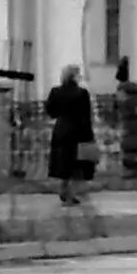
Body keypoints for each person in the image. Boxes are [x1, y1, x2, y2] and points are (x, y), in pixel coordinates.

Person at [43, 64, 98, 205]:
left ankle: (64, 189)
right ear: (74, 76)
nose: (81, 77)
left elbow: (51, 112)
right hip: (78, 130)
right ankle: (70, 193)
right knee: (76, 165)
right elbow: (86, 115)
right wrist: (89, 135)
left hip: (61, 129)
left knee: (63, 163)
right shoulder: (82, 93)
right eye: (79, 75)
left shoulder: (55, 91)